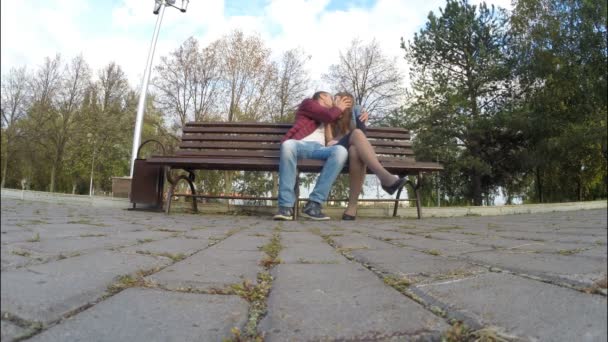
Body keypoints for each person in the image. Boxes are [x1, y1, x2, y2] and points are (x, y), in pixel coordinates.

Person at [326, 92, 407, 220]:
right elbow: (329, 141)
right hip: (337, 151)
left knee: (355, 150)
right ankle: (385, 177)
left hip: (353, 150)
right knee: (356, 135)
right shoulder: (329, 113)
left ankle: (351, 208)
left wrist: (359, 116)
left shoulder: (356, 110)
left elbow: (362, 133)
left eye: (345, 100)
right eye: (337, 99)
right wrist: (335, 112)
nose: (337, 101)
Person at [273, 91, 352, 221]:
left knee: (341, 151)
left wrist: (361, 114)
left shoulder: (332, 117)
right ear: (322, 97)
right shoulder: (309, 103)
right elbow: (327, 115)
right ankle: (285, 206)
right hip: (300, 145)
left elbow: (347, 124)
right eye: (331, 97)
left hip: (319, 149)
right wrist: (338, 108)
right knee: (287, 145)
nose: (333, 100)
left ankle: (314, 204)